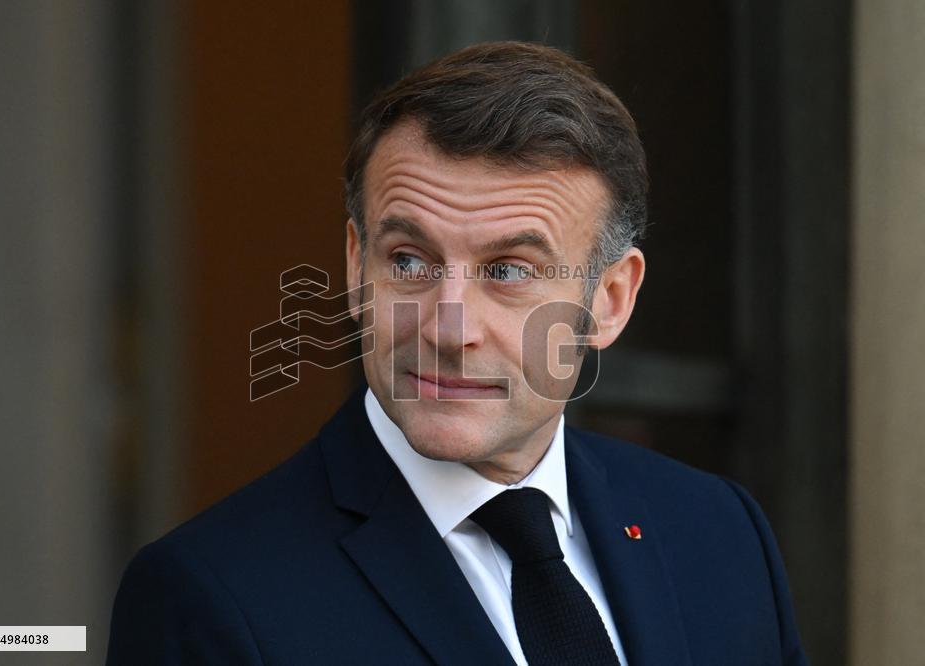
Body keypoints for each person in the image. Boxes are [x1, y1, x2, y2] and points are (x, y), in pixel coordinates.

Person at [107, 41, 807, 665]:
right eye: (409, 260)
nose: (447, 327)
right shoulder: (210, 595)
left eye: (507, 270)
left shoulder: (718, 533)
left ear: (611, 300)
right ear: (356, 269)